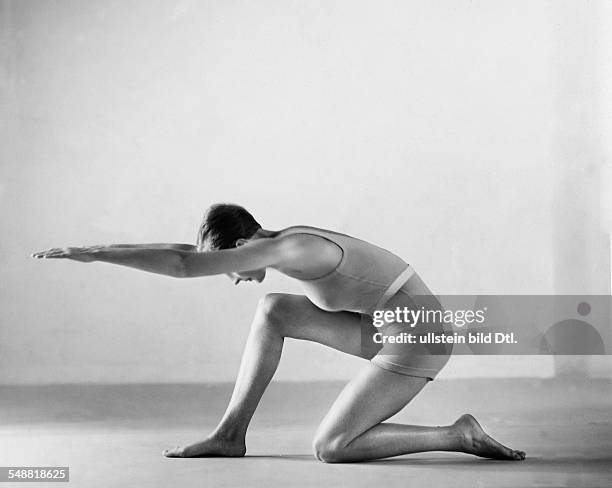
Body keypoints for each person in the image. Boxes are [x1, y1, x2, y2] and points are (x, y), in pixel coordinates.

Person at [32, 203, 526, 463]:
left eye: (231, 264)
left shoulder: (294, 249)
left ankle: (456, 435)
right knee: (274, 310)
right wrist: (102, 246)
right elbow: (184, 248)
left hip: (421, 335)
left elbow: (185, 264)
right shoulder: (275, 243)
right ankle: (230, 434)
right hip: (386, 326)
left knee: (333, 446)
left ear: (244, 244)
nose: (232, 277)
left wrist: (96, 257)